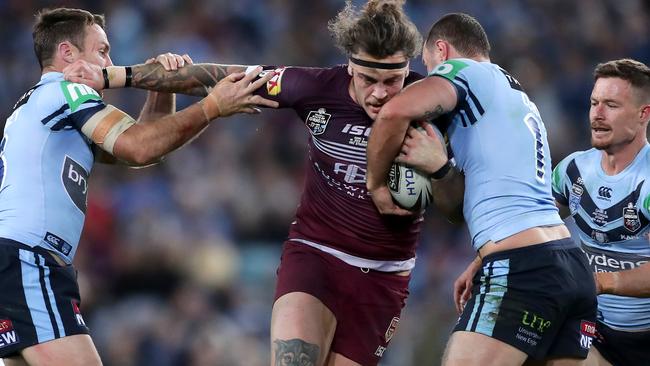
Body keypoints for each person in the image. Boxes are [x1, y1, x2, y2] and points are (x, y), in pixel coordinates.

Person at [65, 1, 429, 364]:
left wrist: (440, 168)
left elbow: (461, 196)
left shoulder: (433, 104)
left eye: (392, 81)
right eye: (368, 80)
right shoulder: (316, 87)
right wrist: (115, 77)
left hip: (385, 275)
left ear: (408, 69)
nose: (380, 93)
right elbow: (221, 77)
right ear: (350, 65)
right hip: (316, 255)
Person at [0, 7, 277, 366]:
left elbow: (141, 154)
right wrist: (213, 106)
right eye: (102, 51)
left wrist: (159, 87)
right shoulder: (65, 91)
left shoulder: (36, 106)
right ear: (67, 53)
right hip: (29, 260)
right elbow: (139, 145)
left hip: (20, 261)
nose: (110, 62)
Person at [365, 12, 597, 366]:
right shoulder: (515, 98)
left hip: (522, 268)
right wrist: (441, 168)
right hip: (567, 265)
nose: (432, 78)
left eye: (429, 67)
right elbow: (461, 211)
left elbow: (394, 112)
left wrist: (376, 184)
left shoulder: (466, 72)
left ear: (442, 51)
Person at [551, 58, 650, 366]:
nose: (598, 114)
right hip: (596, 336)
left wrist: (602, 282)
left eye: (612, 105)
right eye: (594, 103)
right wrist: (479, 262)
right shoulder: (571, 169)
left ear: (643, 114)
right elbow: (530, 230)